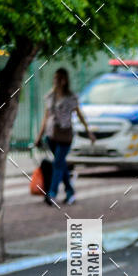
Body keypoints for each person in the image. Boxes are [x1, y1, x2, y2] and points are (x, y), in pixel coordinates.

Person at [35, 68, 94, 205]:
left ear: (65, 80)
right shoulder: (50, 96)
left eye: (59, 78)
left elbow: (79, 114)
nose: (56, 81)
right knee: (60, 164)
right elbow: (46, 118)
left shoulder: (71, 97)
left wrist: (88, 131)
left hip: (65, 135)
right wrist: (39, 136)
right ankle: (70, 192)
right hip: (51, 135)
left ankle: (52, 193)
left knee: (58, 163)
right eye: (55, 78)